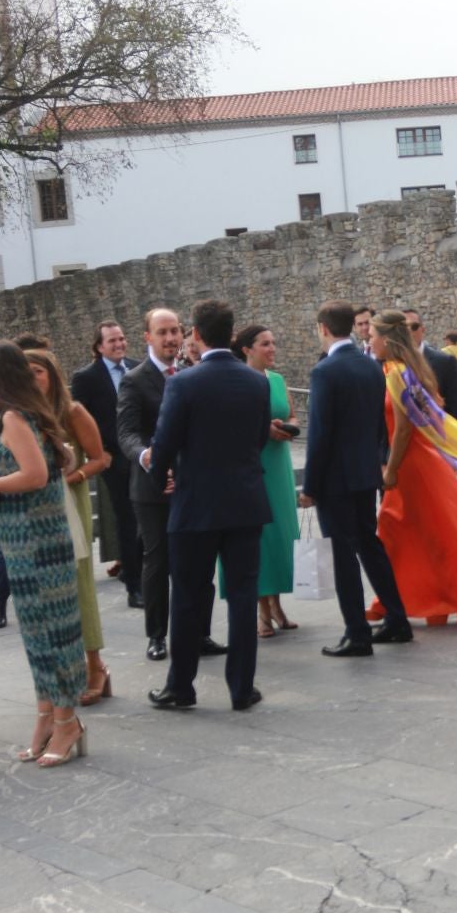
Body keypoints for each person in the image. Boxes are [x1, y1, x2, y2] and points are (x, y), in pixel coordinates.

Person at [0, 341, 87, 766]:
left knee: (54, 633)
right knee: (37, 633)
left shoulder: (14, 416)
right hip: (27, 539)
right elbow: (49, 464)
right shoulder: (22, 414)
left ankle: (67, 721)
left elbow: (34, 475)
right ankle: (47, 715)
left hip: (36, 541)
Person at [146, 298, 271, 712]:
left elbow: (163, 445)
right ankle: (241, 688)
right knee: (241, 595)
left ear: (195, 335)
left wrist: (161, 474)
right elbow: (258, 440)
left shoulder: (183, 383)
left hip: (195, 504)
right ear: (233, 335)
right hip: (245, 502)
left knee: (186, 597)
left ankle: (181, 686)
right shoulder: (257, 382)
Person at [365, 311, 457, 626]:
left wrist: (391, 470)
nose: (369, 341)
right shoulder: (409, 369)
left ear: (386, 339)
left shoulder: (397, 374)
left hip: (411, 464)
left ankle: (423, 600)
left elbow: (405, 429)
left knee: (401, 532)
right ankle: (413, 599)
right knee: (418, 533)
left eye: (372, 336)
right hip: (422, 461)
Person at [301, 301, 412, 656]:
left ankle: (357, 632)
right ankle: (397, 617)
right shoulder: (369, 365)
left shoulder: (325, 371)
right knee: (369, 544)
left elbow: (319, 434)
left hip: (335, 480)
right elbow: (378, 423)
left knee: (344, 555)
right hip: (364, 474)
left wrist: (311, 486)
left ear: (323, 328)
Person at [118, 307, 223, 664]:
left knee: (200, 562)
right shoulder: (134, 379)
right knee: (158, 561)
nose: (170, 338)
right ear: (147, 337)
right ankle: (157, 635)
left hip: (194, 485)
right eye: (162, 332)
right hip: (153, 490)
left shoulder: (195, 374)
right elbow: (127, 433)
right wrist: (150, 458)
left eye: (175, 331)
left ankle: (200, 632)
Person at [25, 349, 113, 706]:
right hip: (36, 512)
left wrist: (72, 475)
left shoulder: (72, 411)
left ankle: (96, 666)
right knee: (48, 594)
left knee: (79, 586)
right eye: (24, 373)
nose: (31, 379)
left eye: (37, 372)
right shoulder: (21, 415)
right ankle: (66, 670)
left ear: (53, 374)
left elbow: (101, 458)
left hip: (70, 503)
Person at [225, 324, 300, 638]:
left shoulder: (278, 380)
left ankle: (277, 604)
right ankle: (262, 611)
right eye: (264, 344)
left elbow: (293, 414)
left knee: (281, 535)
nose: (272, 349)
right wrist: (262, 429)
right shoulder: (236, 381)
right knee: (259, 538)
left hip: (279, 464)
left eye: (273, 342)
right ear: (247, 349)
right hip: (253, 465)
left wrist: (289, 426)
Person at [71, 320, 143, 607]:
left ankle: (146, 574)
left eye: (122, 339)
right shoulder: (86, 377)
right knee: (128, 520)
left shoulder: (138, 368)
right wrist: (97, 452)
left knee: (148, 520)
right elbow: (79, 420)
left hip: (142, 456)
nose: (119, 344)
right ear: (99, 346)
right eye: (112, 341)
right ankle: (134, 585)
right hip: (114, 459)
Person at [403, 310, 457, 426]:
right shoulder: (389, 364)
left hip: (437, 437)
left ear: (423, 329)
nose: (409, 331)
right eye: (403, 327)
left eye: (414, 326)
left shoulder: (445, 362)